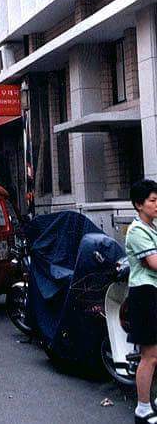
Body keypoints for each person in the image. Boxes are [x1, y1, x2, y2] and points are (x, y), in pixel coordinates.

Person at [125, 179, 157, 424]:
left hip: (153, 293)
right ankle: (143, 409)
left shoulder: (152, 228)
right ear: (139, 204)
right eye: (152, 201)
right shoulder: (136, 231)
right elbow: (154, 263)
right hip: (145, 295)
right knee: (150, 356)